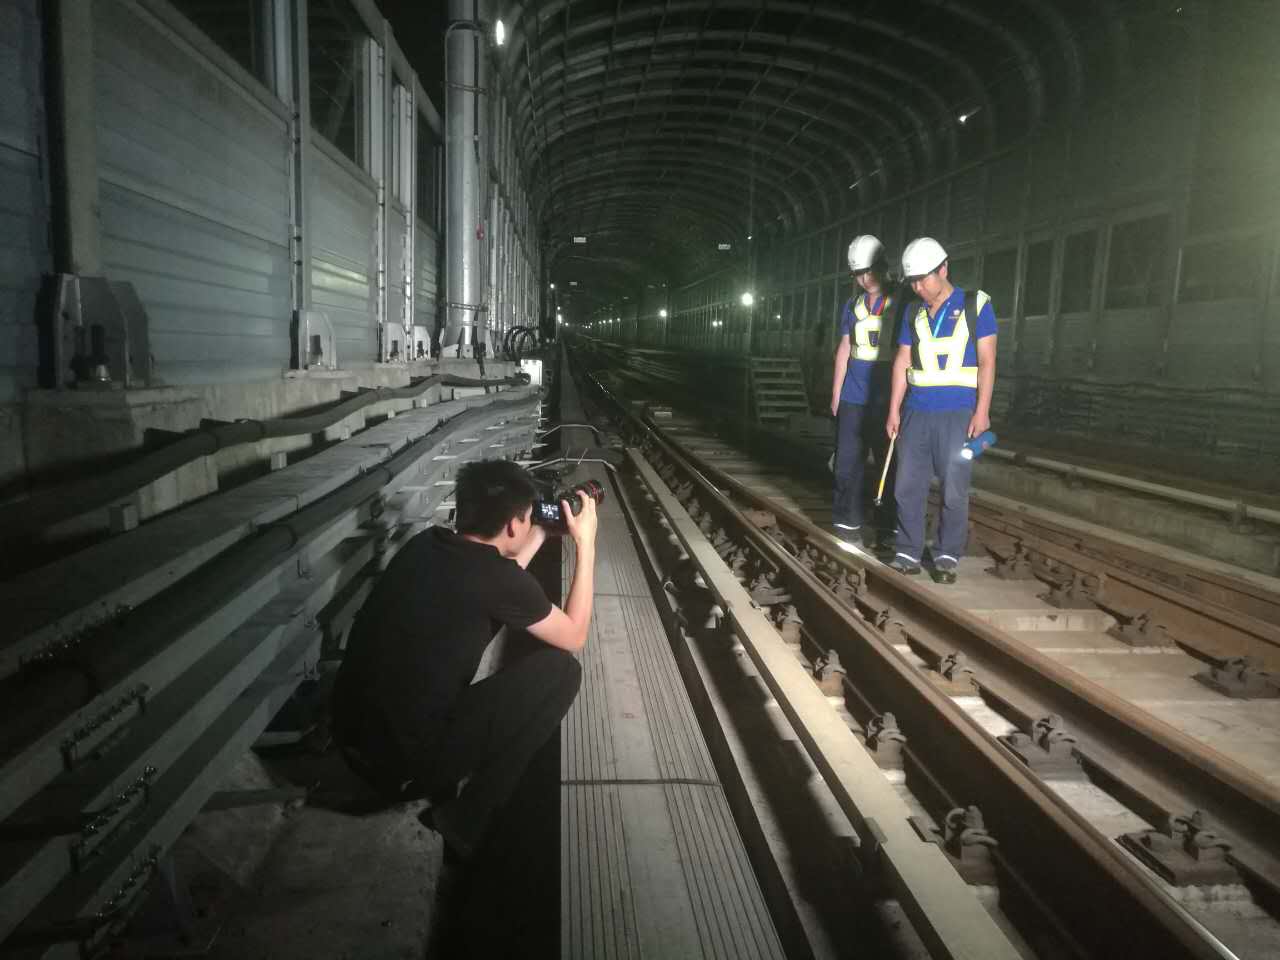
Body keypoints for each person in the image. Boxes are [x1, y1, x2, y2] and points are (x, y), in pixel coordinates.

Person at [330, 458, 598, 858]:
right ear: (513, 526)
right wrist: (586, 544)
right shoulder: (500, 581)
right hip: (399, 769)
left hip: (350, 739)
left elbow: (500, 581)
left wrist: (541, 531)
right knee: (562, 673)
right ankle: (466, 818)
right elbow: (574, 635)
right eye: (526, 518)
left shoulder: (425, 544)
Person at [885, 237, 997, 584]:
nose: (918, 287)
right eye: (913, 281)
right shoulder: (912, 311)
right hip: (916, 412)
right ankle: (907, 552)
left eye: (923, 279)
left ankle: (947, 556)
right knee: (906, 485)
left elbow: (987, 361)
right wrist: (893, 410)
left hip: (958, 414)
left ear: (944, 269)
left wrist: (982, 411)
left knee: (954, 488)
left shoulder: (976, 305)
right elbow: (902, 360)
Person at [829, 234, 899, 545]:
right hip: (853, 396)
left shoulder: (903, 301)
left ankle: (888, 529)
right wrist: (836, 393)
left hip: (886, 395)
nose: (864, 279)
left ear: (883, 266)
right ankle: (847, 523)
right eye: (858, 273)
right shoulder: (852, 305)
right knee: (847, 462)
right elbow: (844, 348)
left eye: (869, 271)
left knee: (889, 464)